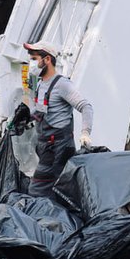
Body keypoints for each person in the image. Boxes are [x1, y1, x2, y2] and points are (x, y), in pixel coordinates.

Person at [24, 41, 93, 197]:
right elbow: (42, 111)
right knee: (60, 190)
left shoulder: (62, 85)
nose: (31, 64)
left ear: (47, 59)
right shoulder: (40, 84)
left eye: (34, 59)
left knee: (37, 191)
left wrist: (85, 133)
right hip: (46, 148)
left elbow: (86, 107)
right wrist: (25, 117)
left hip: (58, 149)